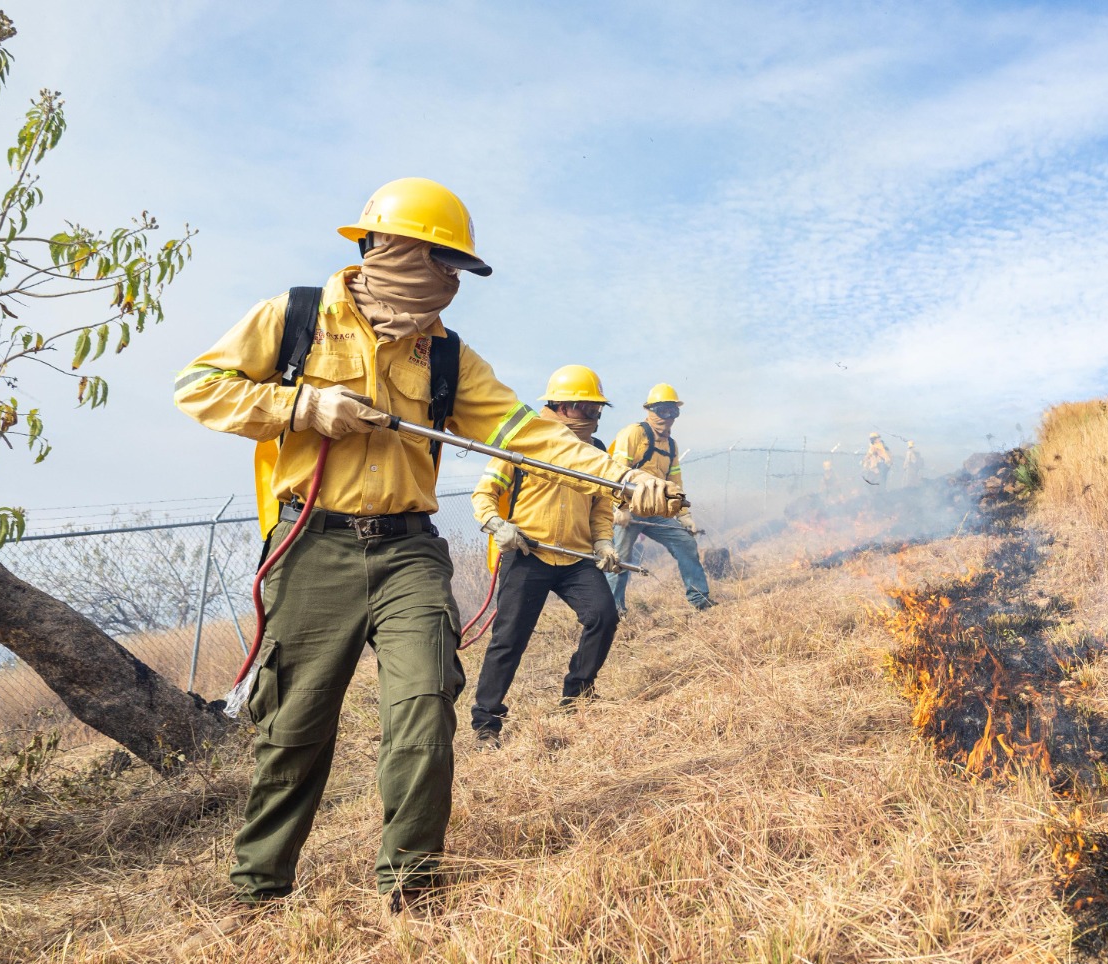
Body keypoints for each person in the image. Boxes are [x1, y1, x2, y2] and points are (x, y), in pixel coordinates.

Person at [173, 178, 680, 915]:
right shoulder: (296, 318)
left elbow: (527, 434)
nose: (451, 282)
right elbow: (197, 386)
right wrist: (303, 405)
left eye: (459, 270)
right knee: (295, 726)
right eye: (445, 263)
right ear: (394, 248)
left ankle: (411, 887)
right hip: (312, 544)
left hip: (408, 549)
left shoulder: (447, 357)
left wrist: (622, 478)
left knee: (424, 707)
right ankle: (259, 890)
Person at [467, 365, 625, 747]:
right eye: (587, 409)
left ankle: (577, 695)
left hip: (575, 558)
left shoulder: (596, 453)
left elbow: (601, 509)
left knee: (603, 616)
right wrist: (496, 524)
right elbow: (484, 493)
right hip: (527, 552)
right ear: (561, 406)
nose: (593, 417)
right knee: (509, 639)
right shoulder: (525, 441)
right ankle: (486, 721)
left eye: (597, 410)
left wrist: (604, 543)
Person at [607, 384, 714, 612]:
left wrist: (684, 515)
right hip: (628, 509)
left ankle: (700, 600)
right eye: (662, 411)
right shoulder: (633, 433)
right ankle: (613, 612)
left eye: (673, 412)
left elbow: (675, 482)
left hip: (655, 510)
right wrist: (620, 507)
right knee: (619, 559)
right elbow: (616, 472)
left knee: (685, 542)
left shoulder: (671, 445)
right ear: (649, 410)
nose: (668, 417)